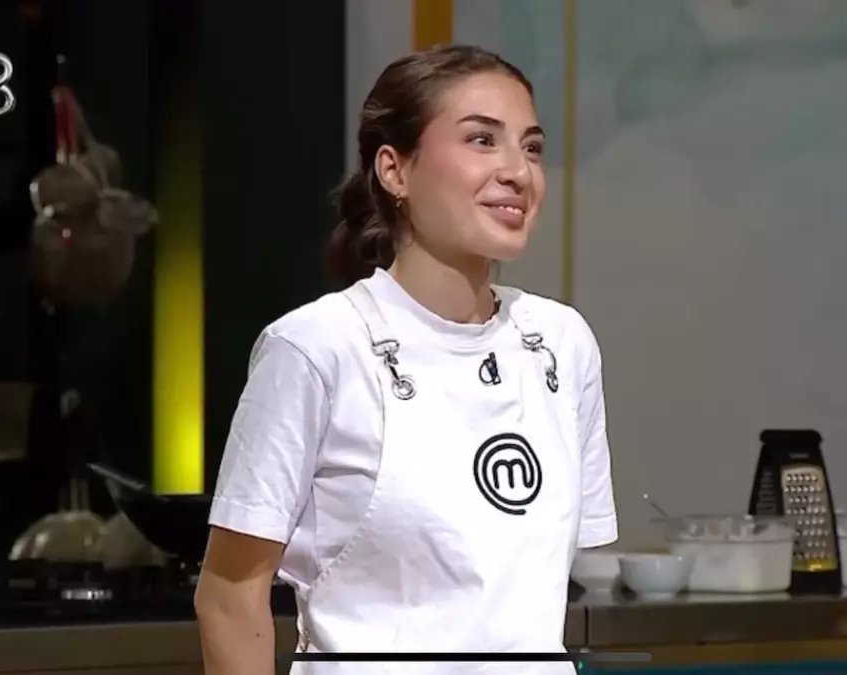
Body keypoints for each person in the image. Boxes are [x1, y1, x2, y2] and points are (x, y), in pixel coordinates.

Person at [194, 44, 618, 674]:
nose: (517, 171)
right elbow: (230, 596)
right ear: (394, 170)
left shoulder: (561, 342)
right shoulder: (317, 347)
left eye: (531, 148)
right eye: (481, 140)